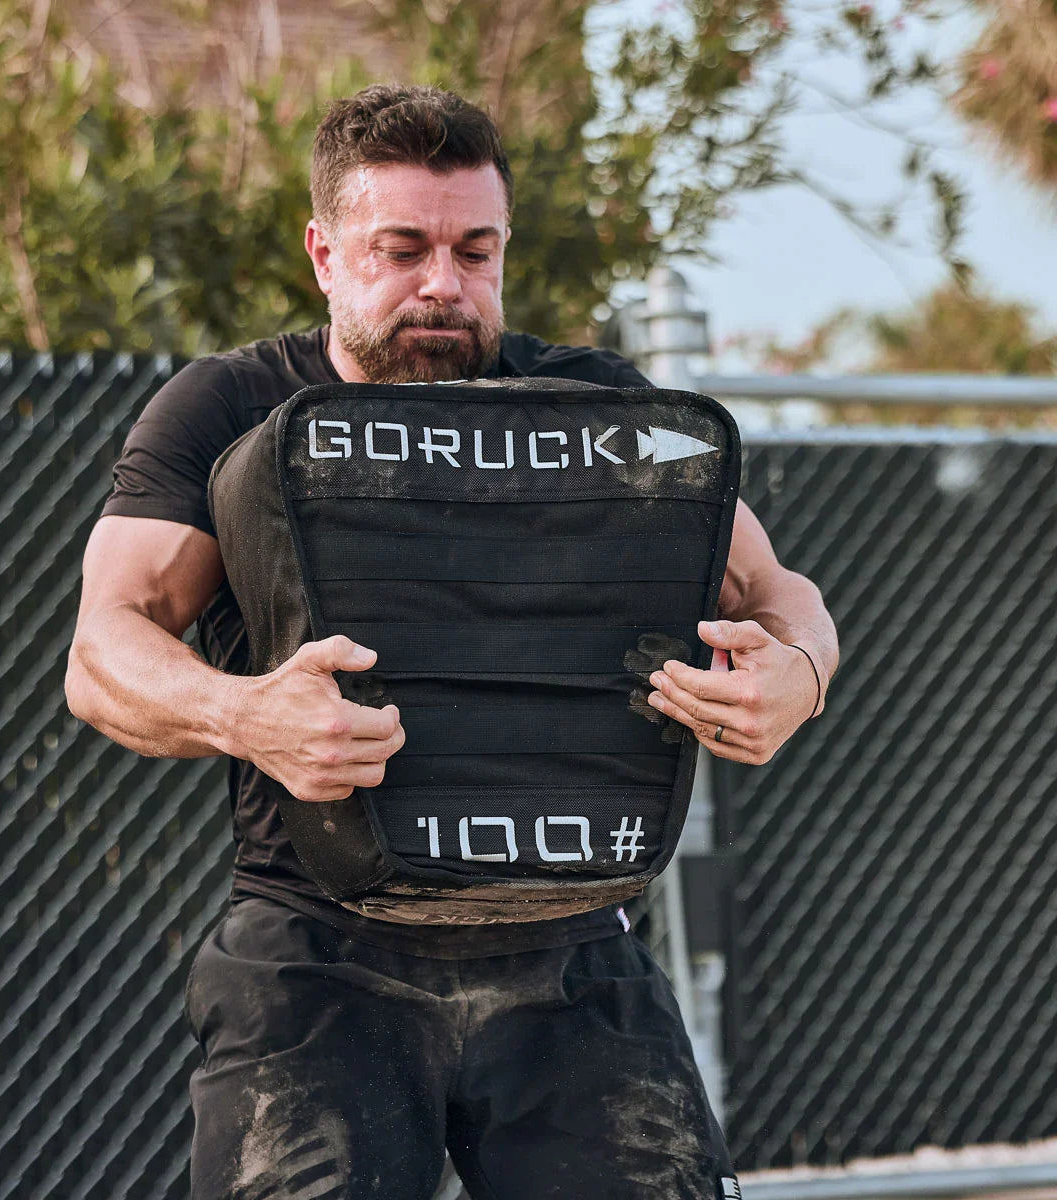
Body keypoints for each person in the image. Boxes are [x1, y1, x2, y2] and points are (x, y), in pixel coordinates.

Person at [65, 84, 838, 1200]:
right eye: (404, 248)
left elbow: (780, 592)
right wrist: (246, 715)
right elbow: (103, 651)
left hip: (575, 949)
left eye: (476, 251)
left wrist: (797, 675)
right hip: (319, 951)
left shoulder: (596, 411)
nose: (444, 284)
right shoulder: (228, 407)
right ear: (325, 253)